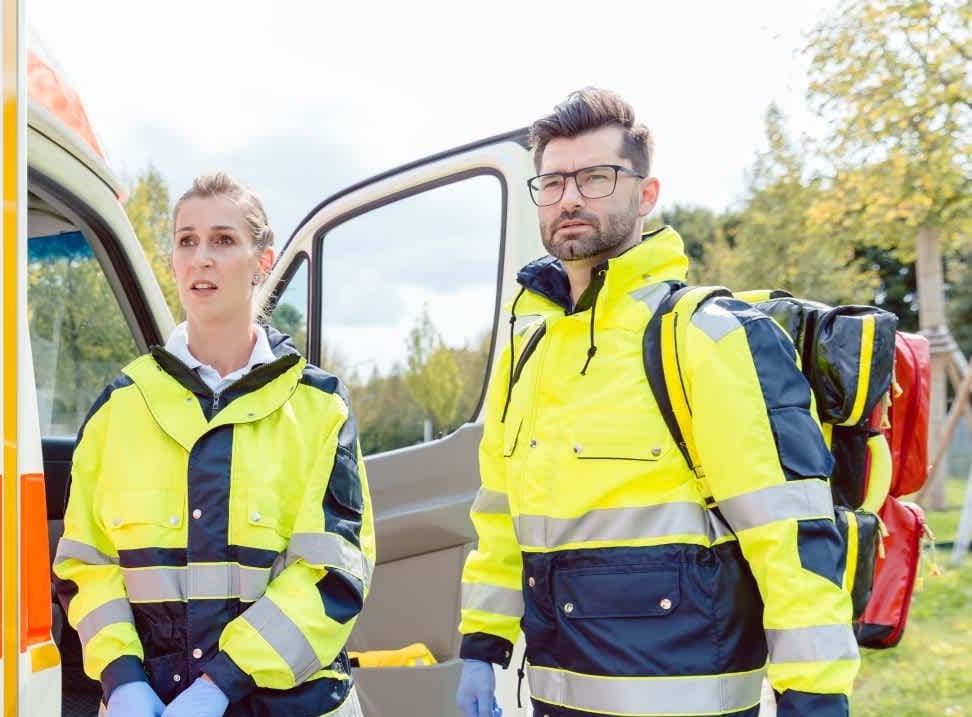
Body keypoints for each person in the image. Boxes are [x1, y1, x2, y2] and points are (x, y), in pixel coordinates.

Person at [454, 88, 859, 717]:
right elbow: (502, 513)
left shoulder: (705, 336)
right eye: (553, 182)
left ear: (646, 194)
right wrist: (483, 643)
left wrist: (814, 698)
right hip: (556, 699)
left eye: (595, 177)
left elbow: (789, 534)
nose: (569, 198)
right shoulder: (527, 350)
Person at [53, 171, 374, 717]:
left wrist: (219, 685)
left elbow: (334, 573)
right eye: (187, 241)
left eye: (223, 240)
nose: (201, 258)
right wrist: (122, 678)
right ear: (173, 261)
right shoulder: (120, 406)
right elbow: (87, 562)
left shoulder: (319, 408)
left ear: (262, 261)